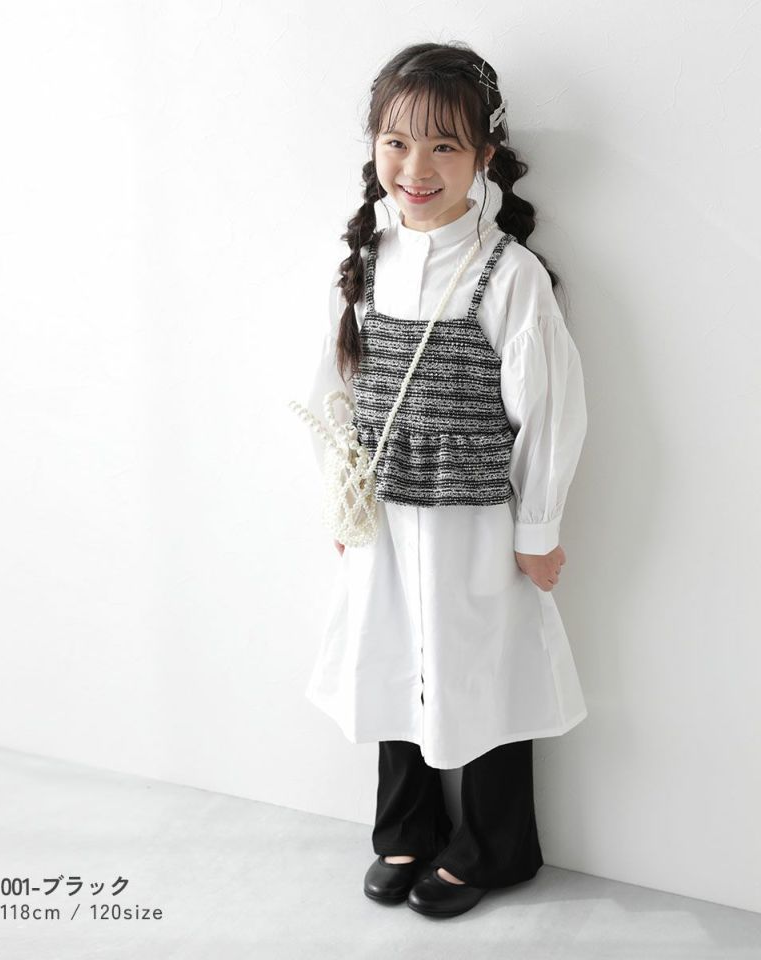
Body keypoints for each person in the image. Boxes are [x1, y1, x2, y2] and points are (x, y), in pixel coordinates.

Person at [301, 41, 588, 919]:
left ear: (484, 156)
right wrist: (342, 497)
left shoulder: (509, 274)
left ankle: (500, 845)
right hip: (385, 515)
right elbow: (334, 391)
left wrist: (538, 530)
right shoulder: (365, 262)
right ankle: (406, 824)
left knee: (483, 667)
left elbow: (550, 410)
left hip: (474, 520)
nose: (417, 168)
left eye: (444, 146)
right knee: (390, 654)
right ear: (374, 147)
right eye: (397, 142)